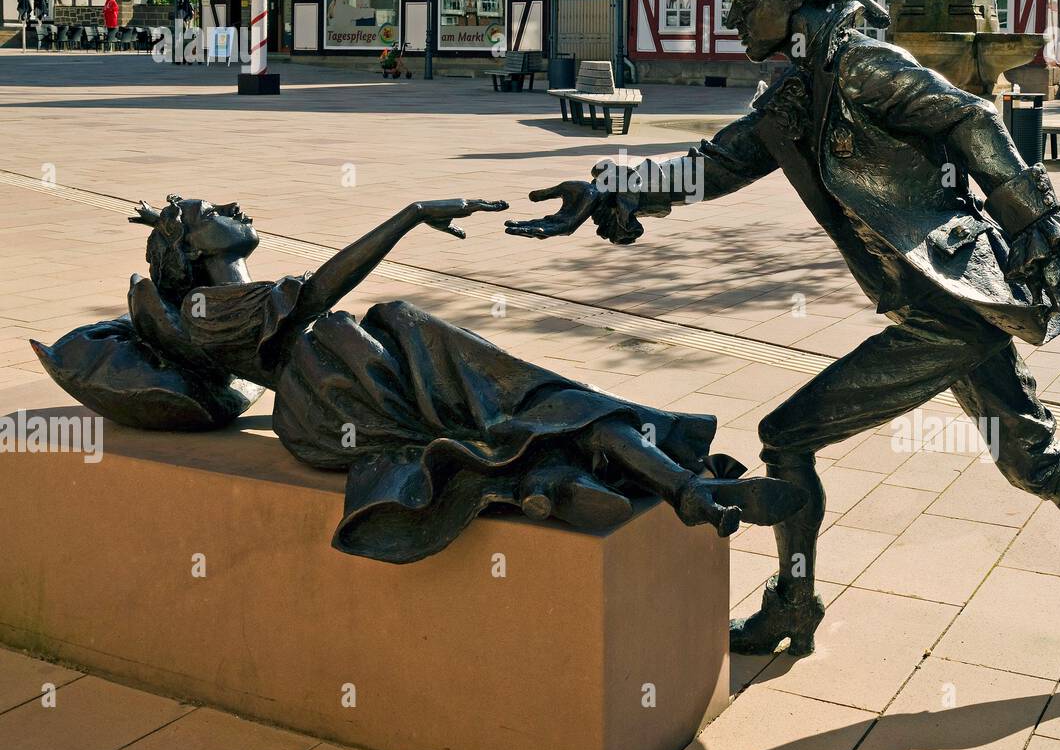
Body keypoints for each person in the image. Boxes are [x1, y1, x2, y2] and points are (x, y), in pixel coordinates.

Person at [507, 0, 1060, 667]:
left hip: (948, 309)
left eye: (745, 4)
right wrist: (614, 184)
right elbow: (714, 165)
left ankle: (794, 605)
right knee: (1035, 463)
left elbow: (972, 117)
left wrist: (1038, 224)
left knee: (787, 438)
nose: (735, 19)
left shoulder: (861, 64)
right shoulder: (794, 91)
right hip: (947, 306)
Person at [34, 196, 803, 563]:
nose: (227, 205)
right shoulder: (205, 306)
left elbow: (315, 303)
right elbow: (317, 291)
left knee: (519, 397)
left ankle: (678, 487)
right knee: (497, 403)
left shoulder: (234, 299)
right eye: (204, 210)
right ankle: (620, 475)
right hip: (331, 398)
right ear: (186, 245)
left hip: (353, 365)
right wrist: (406, 218)